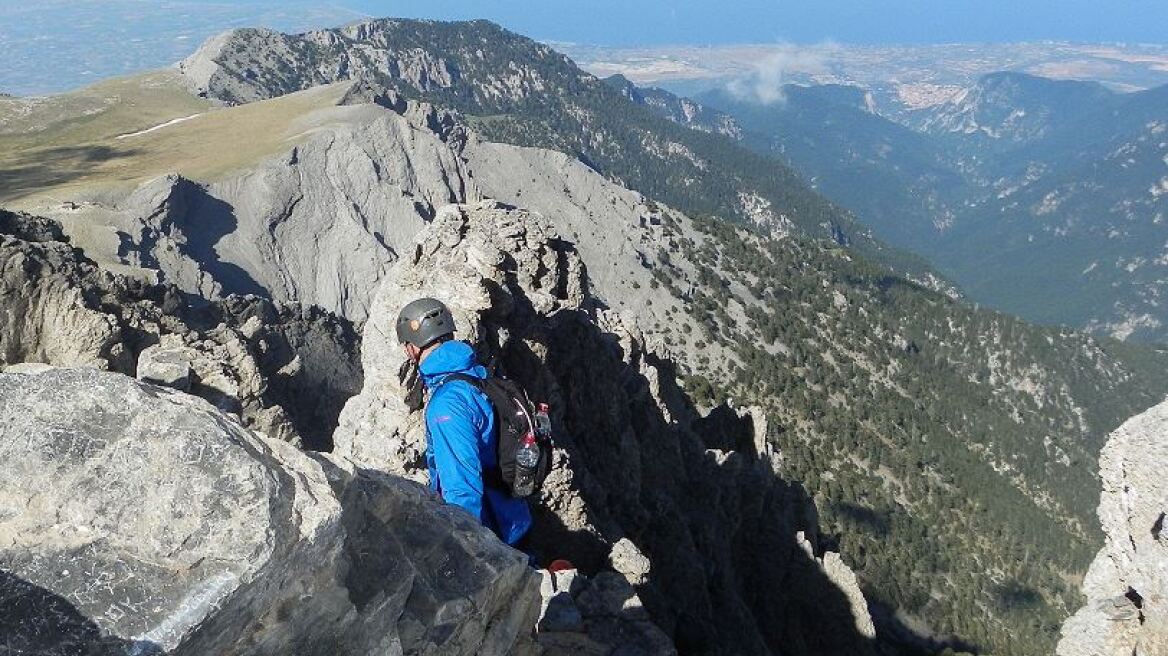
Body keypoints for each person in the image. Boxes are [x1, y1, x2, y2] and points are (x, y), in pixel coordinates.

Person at [395, 297, 533, 547]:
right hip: (511, 516)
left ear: (412, 348)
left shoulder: (448, 403)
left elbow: (461, 486)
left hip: (493, 532)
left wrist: (462, 548)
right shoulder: (476, 374)